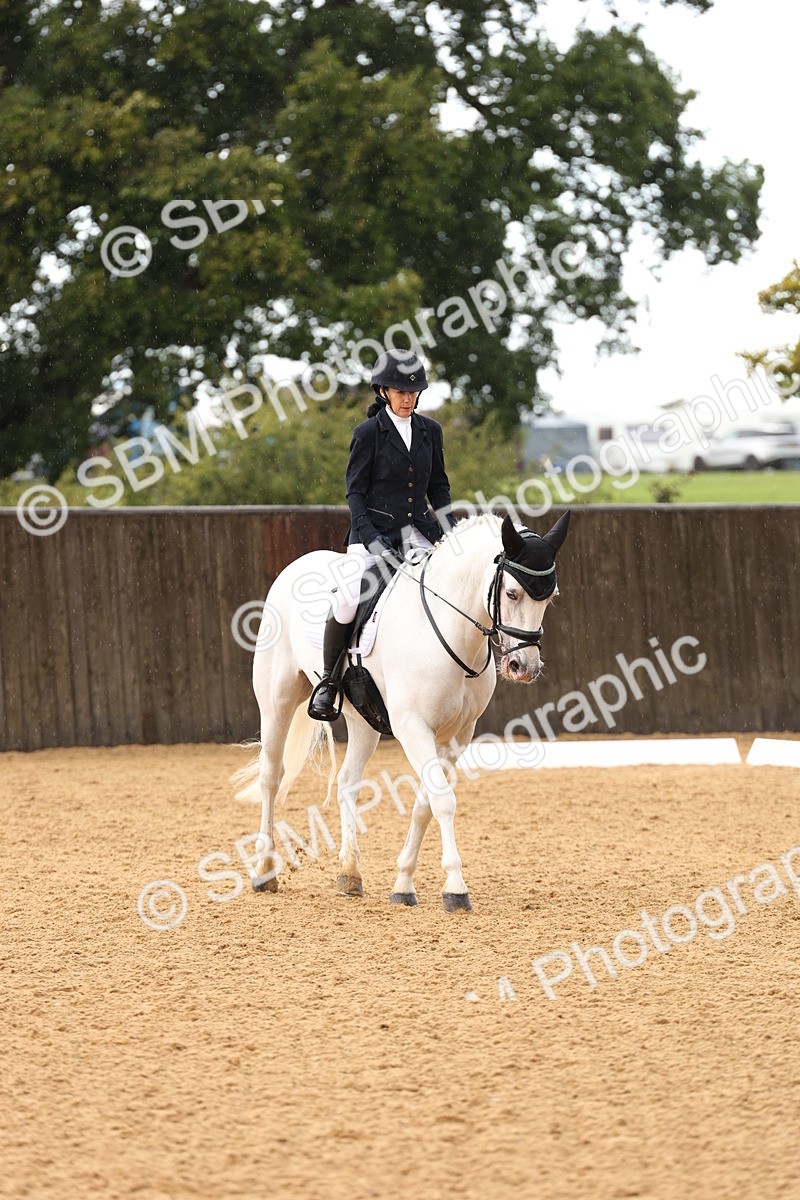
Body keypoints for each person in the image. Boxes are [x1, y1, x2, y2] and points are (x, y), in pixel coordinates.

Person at [307, 348, 457, 721]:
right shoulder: (368, 433)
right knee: (346, 599)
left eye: (412, 392)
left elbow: (438, 487)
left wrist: (452, 532)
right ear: (383, 392)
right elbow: (355, 492)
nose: (407, 398)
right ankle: (328, 682)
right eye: (399, 391)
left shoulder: (430, 431)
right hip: (371, 533)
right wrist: (369, 535)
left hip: (417, 532)